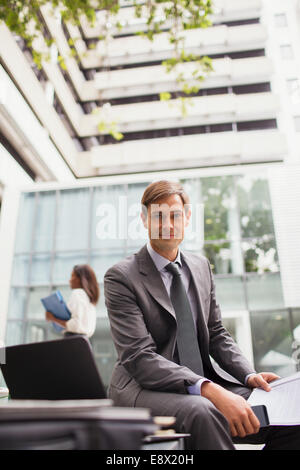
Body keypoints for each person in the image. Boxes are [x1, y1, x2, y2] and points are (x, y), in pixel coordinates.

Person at [104, 180, 300, 450]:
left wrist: (248, 375)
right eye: (158, 216)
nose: (168, 224)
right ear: (144, 219)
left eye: (174, 215)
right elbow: (139, 357)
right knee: (203, 411)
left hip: (201, 383)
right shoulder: (121, 276)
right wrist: (209, 389)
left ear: (187, 218)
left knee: (289, 416)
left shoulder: (200, 266)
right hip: (143, 388)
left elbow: (216, 332)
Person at [46, 264, 99, 338]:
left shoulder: (77, 293)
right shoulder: (89, 299)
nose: (70, 280)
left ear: (80, 279)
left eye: (72, 276)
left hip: (73, 341)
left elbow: (75, 325)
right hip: (84, 342)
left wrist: (53, 318)